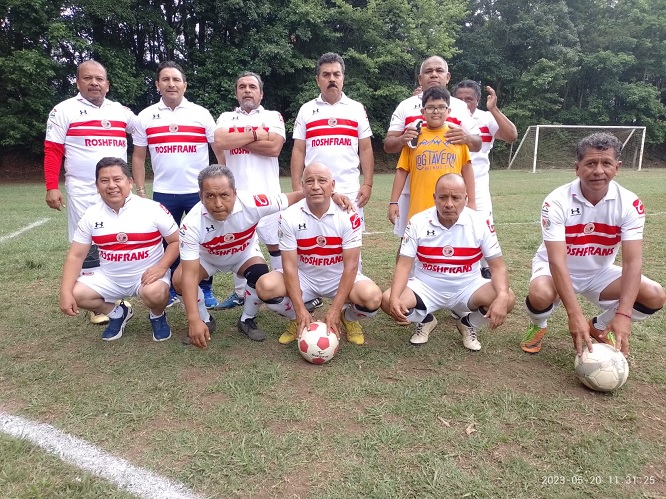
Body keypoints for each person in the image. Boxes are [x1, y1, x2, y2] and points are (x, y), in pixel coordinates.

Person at [520, 133, 665, 356]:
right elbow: (557, 261)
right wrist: (574, 314)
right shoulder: (556, 201)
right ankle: (538, 325)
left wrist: (623, 314)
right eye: (590, 163)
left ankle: (598, 327)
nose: (598, 170)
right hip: (555, 270)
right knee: (540, 293)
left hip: (599, 273)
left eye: (606, 163)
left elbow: (633, 262)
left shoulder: (630, 203)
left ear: (617, 167)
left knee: (654, 294)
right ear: (577, 168)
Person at [173, 165, 308, 348]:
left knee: (260, 274)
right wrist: (193, 319)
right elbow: (189, 276)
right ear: (200, 196)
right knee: (179, 279)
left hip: (244, 255)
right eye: (210, 196)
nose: (218, 203)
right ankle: (204, 320)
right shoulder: (191, 224)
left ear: (235, 194)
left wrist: (333, 196)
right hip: (208, 259)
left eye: (224, 195)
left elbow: (296, 196)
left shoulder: (253, 203)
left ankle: (247, 319)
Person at [45, 60, 138, 324]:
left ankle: (115, 291)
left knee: (119, 238)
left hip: (118, 189)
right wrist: (52, 186)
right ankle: (97, 305)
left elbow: (144, 131)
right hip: (83, 189)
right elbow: (53, 150)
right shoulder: (64, 110)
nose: (94, 83)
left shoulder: (121, 112)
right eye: (88, 78)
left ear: (107, 84)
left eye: (99, 79)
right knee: (88, 242)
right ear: (78, 82)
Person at [382, 173, 515, 349]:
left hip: (468, 287)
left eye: (456, 198)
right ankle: (426, 320)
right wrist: (394, 298)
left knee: (508, 297)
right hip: (425, 287)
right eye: (443, 197)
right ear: (434, 197)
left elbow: (497, 267)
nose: (449, 204)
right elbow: (404, 265)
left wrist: (502, 296)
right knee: (387, 299)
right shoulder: (418, 222)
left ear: (465, 199)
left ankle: (468, 323)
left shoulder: (480, 222)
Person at [257, 163, 382, 346]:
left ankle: (348, 318)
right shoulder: (289, 216)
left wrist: (335, 309)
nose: (315, 186)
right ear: (302, 185)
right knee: (265, 286)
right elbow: (289, 266)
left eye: (322, 181)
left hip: (337, 277)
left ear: (332, 185)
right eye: (309, 181)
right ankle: (297, 319)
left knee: (372, 297)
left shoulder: (348, 215)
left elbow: (351, 267)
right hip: (304, 277)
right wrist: (299, 309)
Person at [131, 61, 222, 309]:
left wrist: (221, 182)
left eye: (176, 80)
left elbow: (218, 150)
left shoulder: (201, 114)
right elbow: (138, 157)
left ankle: (205, 287)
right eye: (166, 79)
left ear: (185, 85)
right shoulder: (145, 116)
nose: (171, 84)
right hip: (164, 192)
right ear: (157, 84)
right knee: (167, 242)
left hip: (198, 193)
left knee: (203, 240)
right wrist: (141, 191)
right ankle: (171, 287)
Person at [59, 157, 179, 342]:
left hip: (146, 276)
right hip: (109, 277)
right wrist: (65, 293)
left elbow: (176, 241)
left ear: (129, 182)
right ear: (97, 186)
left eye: (117, 179)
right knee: (77, 294)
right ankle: (118, 313)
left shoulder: (152, 209)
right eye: (104, 180)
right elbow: (76, 256)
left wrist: (162, 267)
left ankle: (157, 315)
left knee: (156, 294)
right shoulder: (91, 215)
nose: (111, 185)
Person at [212, 71, 287, 310]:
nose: (247, 90)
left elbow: (274, 147)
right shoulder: (226, 117)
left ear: (261, 93)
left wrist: (237, 137)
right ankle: (240, 293)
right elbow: (220, 141)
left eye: (252, 87)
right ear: (236, 92)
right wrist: (256, 135)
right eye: (242, 86)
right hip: (238, 197)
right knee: (241, 246)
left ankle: (281, 288)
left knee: (275, 244)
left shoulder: (273, 116)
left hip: (269, 194)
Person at [383, 56, 481, 239]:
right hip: (412, 190)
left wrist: (466, 138)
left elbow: (477, 144)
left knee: (452, 238)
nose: (434, 75)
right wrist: (403, 139)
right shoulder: (405, 106)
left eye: (439, 71)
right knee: (409, 240)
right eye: (428, 71)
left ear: (448, 76)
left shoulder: (460, 106)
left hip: (450, 190)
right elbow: (389, 145)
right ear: (420, 78)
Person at [290, 52, 374, 228]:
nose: (332, 79)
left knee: (351, 242)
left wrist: (367, 184)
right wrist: (297, 186)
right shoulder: (306, 110)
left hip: (349, 190)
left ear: (343, 78)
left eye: (336, 74)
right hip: (314, 190)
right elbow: (298, 150)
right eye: (326, 75)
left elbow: (365, 149)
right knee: (314, 240)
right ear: (317, 80)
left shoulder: (356, 109)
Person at [453, 80, 518, 278]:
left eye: (469, 99)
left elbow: (511, 136)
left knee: (482, 225)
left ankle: (485, 267)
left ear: (478, 100)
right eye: (459, 99)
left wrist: (494, 109)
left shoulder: (486, 118)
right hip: (449, 183)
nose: (464, 103)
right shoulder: (446, 116)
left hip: (478, 183)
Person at [388, 86, 474, 229]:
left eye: (441, 107)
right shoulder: (414, 137)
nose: (436, 111)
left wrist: (471, 201)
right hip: (419, 209)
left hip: (451, 209)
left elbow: (467, 168)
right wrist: (393, 202)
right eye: (430, 107)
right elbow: (402, 170)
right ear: (422, 112)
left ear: (448, 111)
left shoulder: (456, 135)